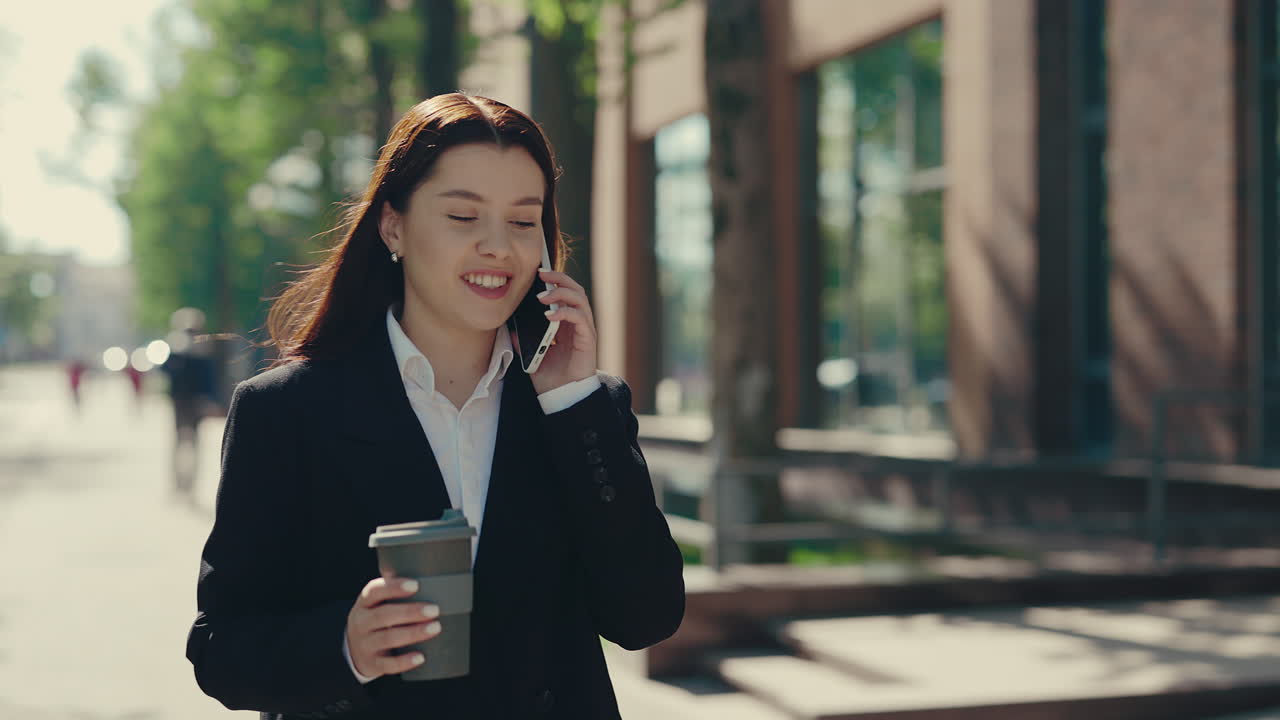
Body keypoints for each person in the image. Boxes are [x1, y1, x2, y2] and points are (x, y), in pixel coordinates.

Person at [186, 94, 685, 719]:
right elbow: (222, 647)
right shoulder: (286, 411)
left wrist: (571, 403)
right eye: (463, 216)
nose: (498, 247)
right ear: (392, 226)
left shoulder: (580, 409)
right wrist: (346, 645)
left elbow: (647, 617)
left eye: (523, 221)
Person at [162, 307, 218, 496]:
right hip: (182, 400)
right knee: (181, 441)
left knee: (191, 442)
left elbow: (208, 377)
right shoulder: (177, 347)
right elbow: (167, 372)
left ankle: (188, 483)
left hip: (192, 401)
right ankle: (179, 482)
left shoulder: (201, 348)